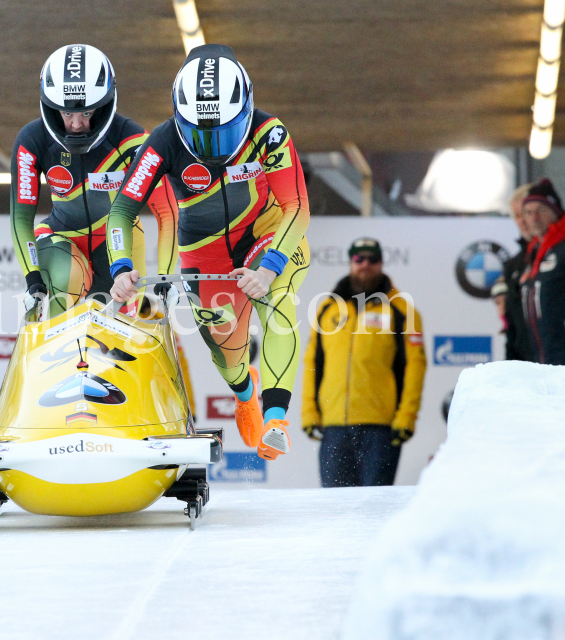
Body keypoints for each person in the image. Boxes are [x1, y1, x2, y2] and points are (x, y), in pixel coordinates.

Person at [107, 43, 309, 461]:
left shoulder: (270, 132)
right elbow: (122, 211)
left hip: (266, 231)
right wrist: (122, 267)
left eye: (224, 132)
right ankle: (244, 389)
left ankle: (276, 418)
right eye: (201, 133)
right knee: (226, 353)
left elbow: (296, 208)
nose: (214, 145)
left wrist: (270, 268)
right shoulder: (162, 141)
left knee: (276, 299)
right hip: (206, 252)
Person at [11, 44, 177, 317]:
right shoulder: (32, 141)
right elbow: (20, 218)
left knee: (124, 341)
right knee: (65, 278)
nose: (76, 125)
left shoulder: (132, 139)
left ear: (103, 106)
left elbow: (167, 212)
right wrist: (32, 279)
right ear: (51, 108)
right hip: (59, 238)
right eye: (67, 113)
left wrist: (166, 277)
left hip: (117, 243)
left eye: (86, 113)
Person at [301, 238, 427, 487]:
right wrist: (309, 412)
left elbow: (415, 366)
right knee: (335, 508)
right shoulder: (327, 308)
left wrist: (407, 416)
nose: (365, 264)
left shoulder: (401, 309)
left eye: (373, 259)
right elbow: (313, 362)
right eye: (359, 259)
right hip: (334, 427)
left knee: (373, 509)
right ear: (350, 262)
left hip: (380, 428)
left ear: (381, 263)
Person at [520, 178, 565, 365]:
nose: (533, 218)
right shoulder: (534, 251)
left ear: (555, 211)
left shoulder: (562, 246)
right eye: (528, 212)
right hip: (543, 357)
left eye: (540, 211)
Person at [502, 184, 535, 361]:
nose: (522, 221)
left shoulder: (558, 255)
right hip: (523, 362)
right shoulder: (513, 265)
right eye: (516, 215)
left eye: (525, 213)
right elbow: (511, 324)